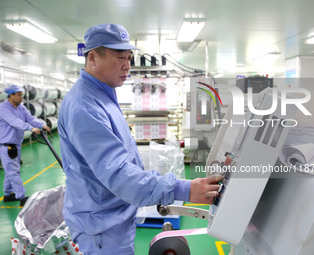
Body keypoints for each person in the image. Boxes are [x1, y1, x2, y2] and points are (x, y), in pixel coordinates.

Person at [58, 23, 223, 255]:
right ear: (93, 58)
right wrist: (184, 189)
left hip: (112, 216)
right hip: (101, 229)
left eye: (128, 57)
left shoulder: (103, 94)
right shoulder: (85, 107)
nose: (127, 65)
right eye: (119, 57)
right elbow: (118, 174)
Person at [0, 85, 51, 206]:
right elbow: (14, 121)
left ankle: (7, 195)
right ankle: (22, 197)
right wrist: (30, 128)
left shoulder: (21, 108)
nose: (21, 98)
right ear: (11, 95)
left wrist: (41, 125)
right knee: (13, 172)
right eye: (18, 95)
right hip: (6, 145)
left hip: (16, 144)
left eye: (22, 95)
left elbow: (30, 118)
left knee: (10, 171)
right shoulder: (3, 108)